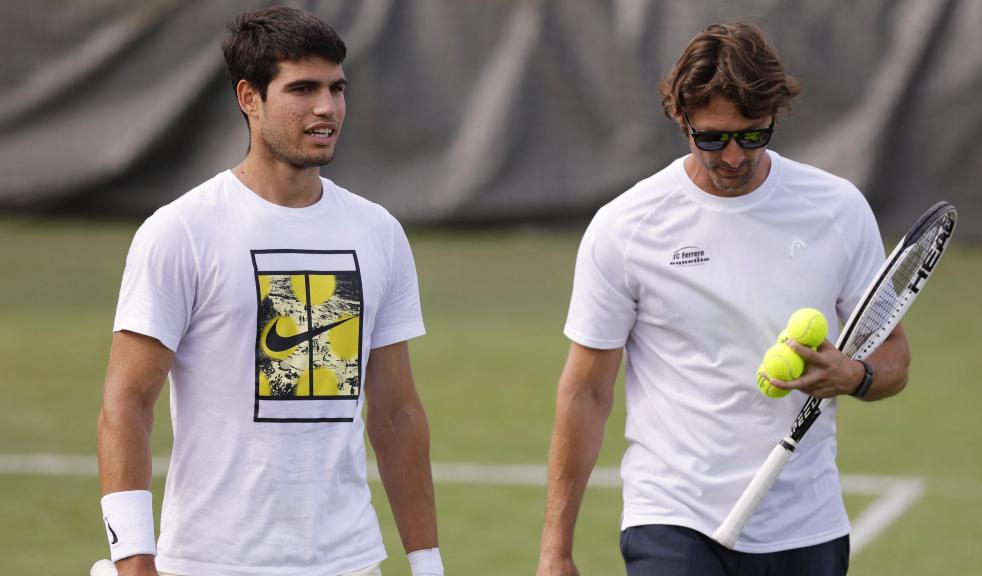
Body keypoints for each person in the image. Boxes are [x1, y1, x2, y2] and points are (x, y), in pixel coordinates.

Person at [536, 20, 910, 576]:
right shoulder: (625, 228)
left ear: (775, 117)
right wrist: (555, 550)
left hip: (806, 526)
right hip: (672, 520)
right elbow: (586, 392)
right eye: (712, 137)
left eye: (753, 135)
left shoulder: (839, 209)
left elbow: (895, 358)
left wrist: (853, 376)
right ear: (679, 118)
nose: (733, 156)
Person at [96, 7, 443, 576]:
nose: (327, 108)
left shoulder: (378, 232)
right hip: (210, 561)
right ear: (248, 97)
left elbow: (397, 413)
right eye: (302, 89)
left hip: (349, 561)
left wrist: (427, 564)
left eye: (336, 88)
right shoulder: (181, 231)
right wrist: (134, 558)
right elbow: (125, 404)